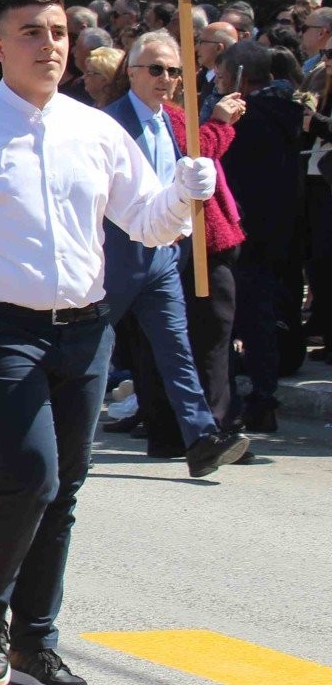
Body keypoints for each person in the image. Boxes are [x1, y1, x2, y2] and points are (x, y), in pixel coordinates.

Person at [0, 0, 216, 685]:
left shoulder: (96, 130)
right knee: (30, 474)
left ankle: (36, 642)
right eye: (31, 32)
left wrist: (184, 192)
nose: (49, 44)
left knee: (64, 488)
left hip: (84, 328)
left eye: (57, 31)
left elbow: (146, 220)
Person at [96, 32, 250, 477]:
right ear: (132, 72)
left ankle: (201, 438)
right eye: (156, 69)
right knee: (90, 345)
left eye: (174, 71)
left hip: (164, 256)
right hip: (117, 256)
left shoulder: (172, 121)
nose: (166, 79)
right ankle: (55, 427)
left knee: (175, 346)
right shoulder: (109, 123)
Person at [217, 40, 304, 433]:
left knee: (246, 316)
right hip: (277, 224)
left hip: (248, 227)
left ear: (239, 77)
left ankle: (249, 397)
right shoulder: (286, 111)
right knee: (261, 313)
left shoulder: (249, 120)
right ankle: (262, 394)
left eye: (222, 76)